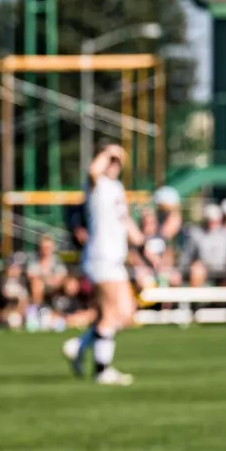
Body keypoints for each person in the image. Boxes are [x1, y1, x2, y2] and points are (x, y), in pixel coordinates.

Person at [62, 145, 144, 385]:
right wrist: (109, 152)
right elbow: (92, 170)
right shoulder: (96, 185)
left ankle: (80, 345)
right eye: (111, 160)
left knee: (127, 314)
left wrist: (142, 242)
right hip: (101, 257)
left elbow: (124, 220)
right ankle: (102, 370)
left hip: (116, 258)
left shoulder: (117, 188)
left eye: (118, 161)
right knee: (109, 314)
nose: (115, 165)